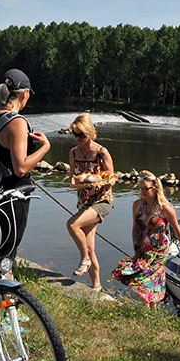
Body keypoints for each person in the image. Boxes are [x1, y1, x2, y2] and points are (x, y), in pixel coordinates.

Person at [0, 68, 50, 268]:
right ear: (25, 94)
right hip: (13, 198)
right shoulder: (17, 123)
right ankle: (3, 294)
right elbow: (21, 168)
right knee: (6, 255)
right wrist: (45, 147)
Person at [112, 171, 180, 307]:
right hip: (141, 249)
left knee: (145, 280)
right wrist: (135, 246)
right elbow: (135, 227)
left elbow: (177, 230)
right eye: (141, 188)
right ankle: (151, 310)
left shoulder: (165, 208)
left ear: (155, 189)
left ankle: (147, 311)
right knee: (142, 279)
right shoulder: (137, 205)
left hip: (159, 251)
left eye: (146, 188)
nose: (143, 191)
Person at [66, 113, 115, 290]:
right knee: (89, 245)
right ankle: (97, 286)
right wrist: (78, 182)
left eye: (81, 135)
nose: (78, 138)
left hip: (102, 201)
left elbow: (112, 178)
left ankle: (84, 259)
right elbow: (74, 176)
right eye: (75, 134)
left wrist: (97, 182)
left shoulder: (102, 152)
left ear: (90, 133)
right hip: (84, 203)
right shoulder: (73, 152)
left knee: (72, 225)